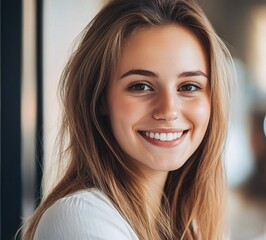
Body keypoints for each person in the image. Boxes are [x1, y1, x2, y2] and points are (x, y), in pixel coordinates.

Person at [22, 0, 234, 239]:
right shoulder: (80, 218)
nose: (168, 110)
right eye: (141, 86)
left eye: (189, 86)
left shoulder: (186, 227)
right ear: (100, 98)